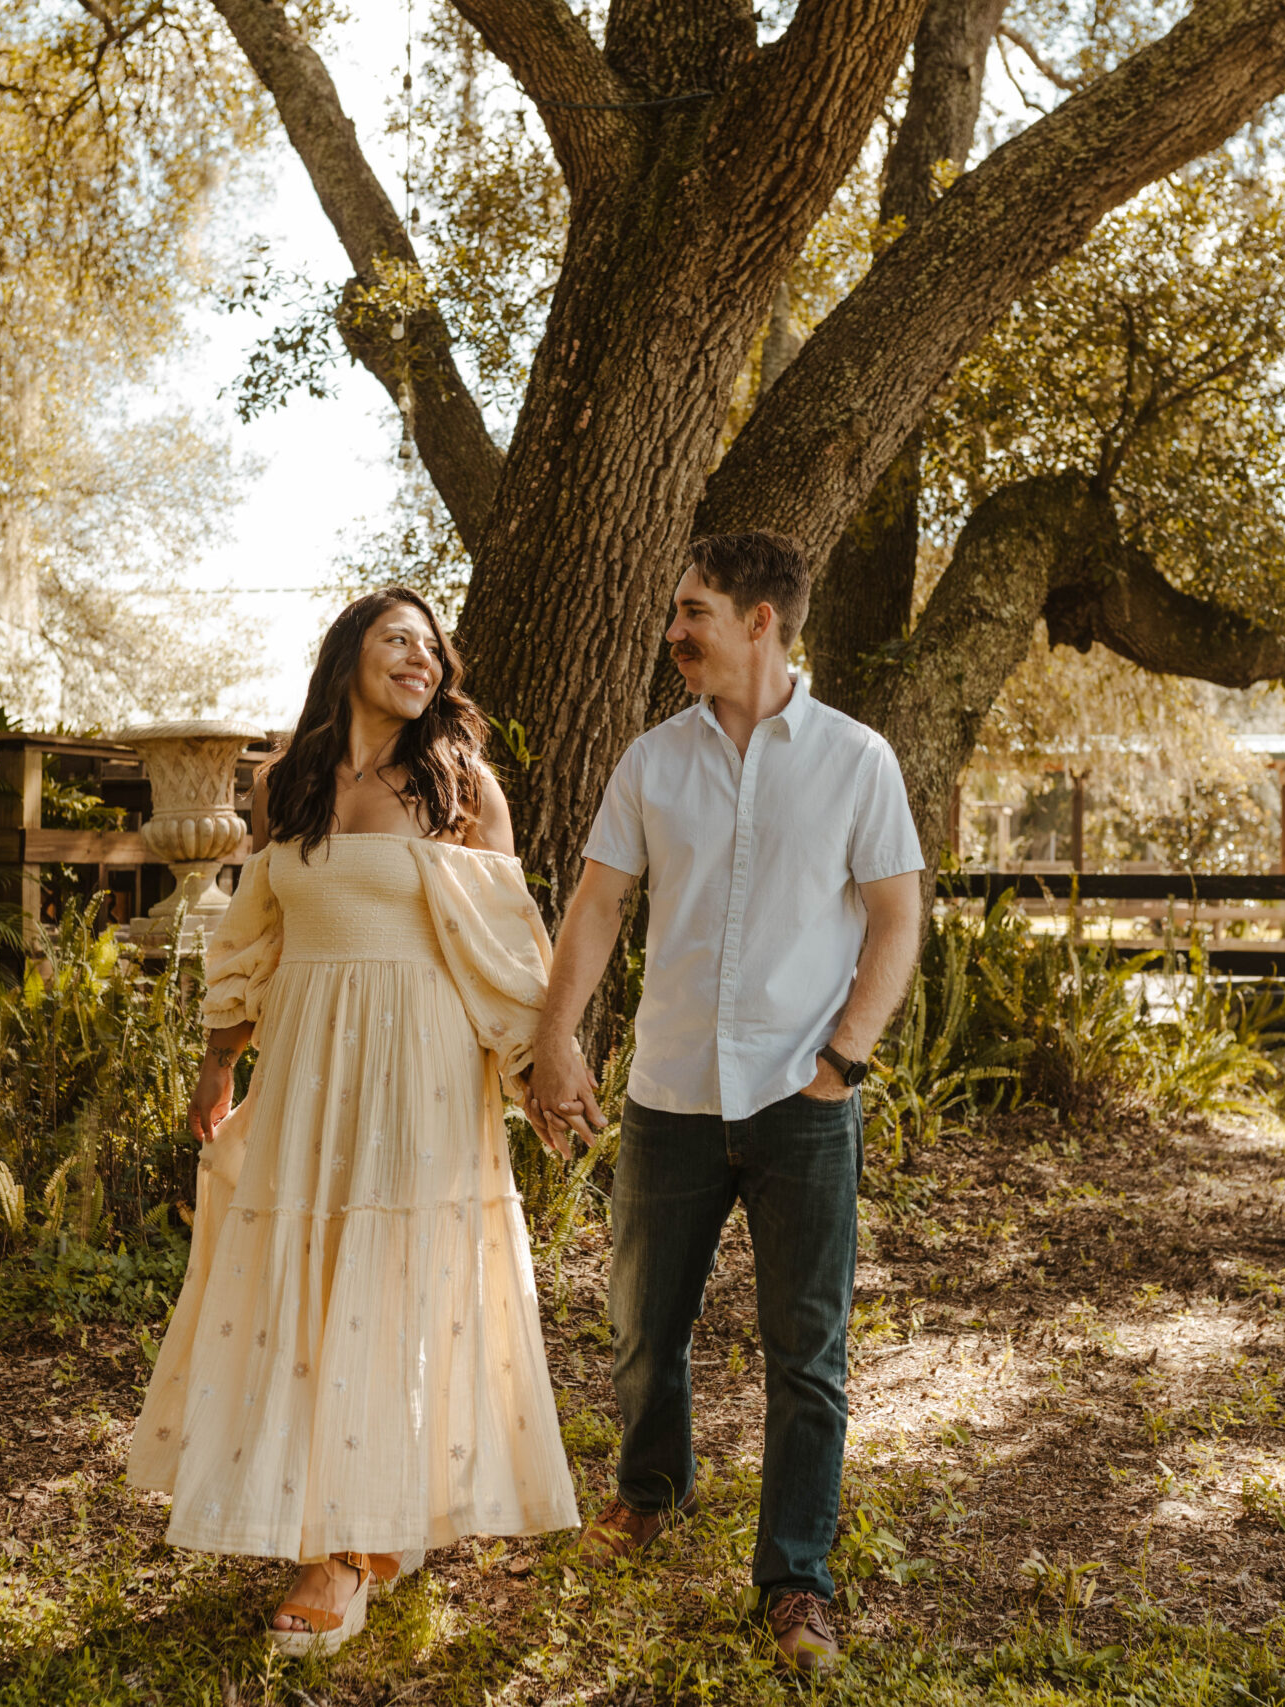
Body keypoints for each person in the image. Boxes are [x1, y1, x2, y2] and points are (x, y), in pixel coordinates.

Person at [128, 588, 578, 1656]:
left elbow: (509, 948)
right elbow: (251, 934)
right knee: (319, 1277)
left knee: (396, 1279)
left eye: (432, 646)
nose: (419, 659)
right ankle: (345, 1507)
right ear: (350, 658)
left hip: (419, 1065)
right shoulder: (288, 785)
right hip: (309, 1067)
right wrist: (216, 1062)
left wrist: (540, 1071)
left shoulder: (461, 786)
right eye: (396, 641)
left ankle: (345, 1548)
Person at [528, 531, 925, 1675]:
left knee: (807, 1351)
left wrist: (842, 1059)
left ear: (761, 621)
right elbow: (598, 907)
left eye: (693, 610)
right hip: (669, 1092)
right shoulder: (653, 761)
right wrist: (558, 1038)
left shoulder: (857, 760)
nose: (674, 630)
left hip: (803, 1097)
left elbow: (895, 920)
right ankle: (648, 1495)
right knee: (646, 1327)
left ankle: (795, 1581)